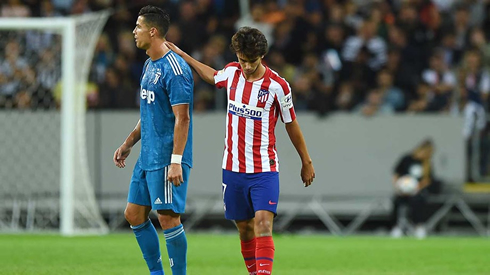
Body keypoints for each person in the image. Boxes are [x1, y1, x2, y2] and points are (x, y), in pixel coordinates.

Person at [165, 27, 315, 275]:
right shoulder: (232, 73)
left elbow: (291, 124)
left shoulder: (278, 86)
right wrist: (184, 55)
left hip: (264, 170)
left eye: (251, 61)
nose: (246, 66)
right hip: (233, 169)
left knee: (264, 224)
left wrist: (306, 161)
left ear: (262, 56)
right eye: (242, 60)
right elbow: (212, 76)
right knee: (244, 228)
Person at [113, 6, 193, 275]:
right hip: (147, 155)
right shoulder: (149, 64)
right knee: (133, 214)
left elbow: (183, 119)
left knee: (168, 218)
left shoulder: (176, 69)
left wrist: (176, 161)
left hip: (166, 157)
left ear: (153, 31)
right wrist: (128, 143)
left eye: (138, 26)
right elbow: (148, 113)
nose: (134, 31)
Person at [390, 139, 441, 239]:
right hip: (402, 192)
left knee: (418, 201)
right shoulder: (407, 159)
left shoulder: (427, 164)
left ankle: (418, 226)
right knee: (396, 201)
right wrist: (398, 187)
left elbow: (427, 180)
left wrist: (417, 187)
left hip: (417, 192)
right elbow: (396, 173)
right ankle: (396, 227)